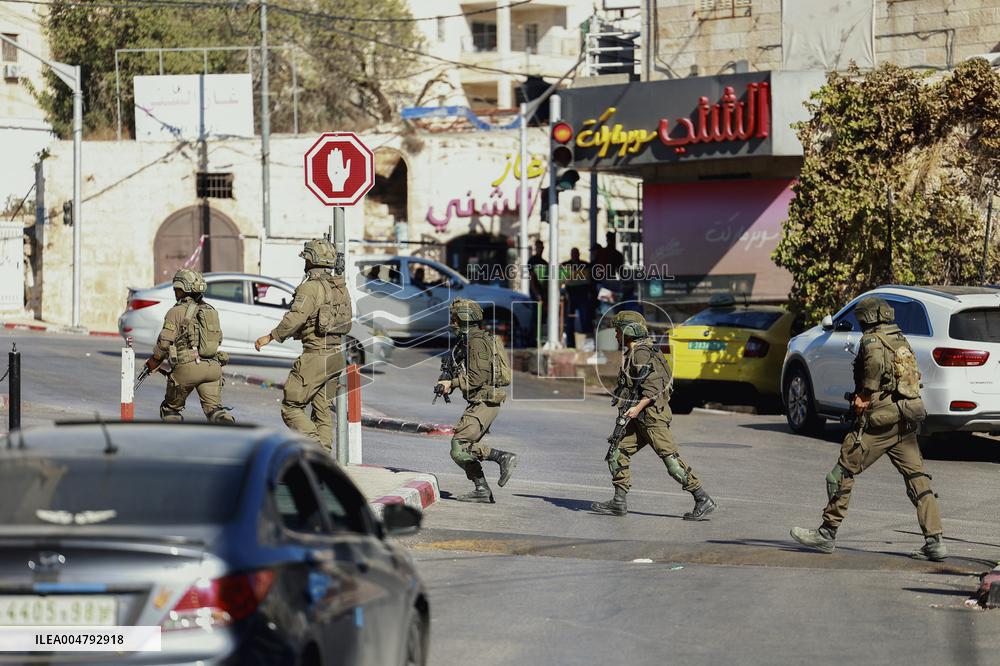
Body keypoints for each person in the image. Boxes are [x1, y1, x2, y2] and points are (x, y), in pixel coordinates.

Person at [791, 296, 946, 560]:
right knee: (917, 477)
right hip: (904, 420)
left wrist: (865, 393)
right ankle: (935, 541)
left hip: (879, 422)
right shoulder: (898, 337)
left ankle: (827, 533)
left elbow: (873, 366)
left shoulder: (872, 340)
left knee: (842, 472)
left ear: (869, 317)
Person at [591, 311, 717, 519]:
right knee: (617, 452)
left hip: (651, 418)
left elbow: (653, 388)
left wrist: (636, 408)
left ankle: (702, 498)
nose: (615, 335)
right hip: (637, 417)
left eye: (618, 331)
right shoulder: (635, 352)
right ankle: (619, 502)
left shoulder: (642, 353)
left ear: (628, 331)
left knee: (670, 460)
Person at [255, 239, 352, 451]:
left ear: (312, 260)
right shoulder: (339, 287)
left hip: (315, 357)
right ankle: (325, 459)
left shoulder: (310, 288)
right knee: (322, 409)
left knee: (291, 407)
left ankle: (317, 450)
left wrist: (271, 336)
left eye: (306, 258)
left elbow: (295, 318)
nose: (304, 262)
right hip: (335, 356)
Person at [435, 298, 518, 503]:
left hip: (485, 401)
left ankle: (502, 457)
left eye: (454, 317)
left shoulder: (476, 341)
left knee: (459, 446)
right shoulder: (467, 341)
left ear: (463, 318)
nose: (452, 321)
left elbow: (476, 378)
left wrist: (451, 383)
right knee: (463, 447)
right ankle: (481, 488)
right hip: (479, 401)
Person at [146, 268, 234, 423]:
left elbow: (164, 344)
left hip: (187, 368)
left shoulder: (176, 311)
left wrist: (154, 361)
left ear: (183, 290)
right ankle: (229, 430)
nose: (175, 292)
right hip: (213, 368)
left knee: (170, 409)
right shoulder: (210, 310)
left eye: (176, 289)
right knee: (215, 410)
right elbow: (218, 338)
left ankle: (177, 444)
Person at [561, 247, 594, 348]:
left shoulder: (585, 265)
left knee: (585, 319)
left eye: (576, 253)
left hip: (583, 296)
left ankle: (586, 342)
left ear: (579, 254)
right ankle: (571, 343)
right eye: (573, 253)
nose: (575, 255)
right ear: (571, 255)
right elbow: (562, 281)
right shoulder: (565, 265)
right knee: (569, 320)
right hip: (570, 296)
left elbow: (589, 281)